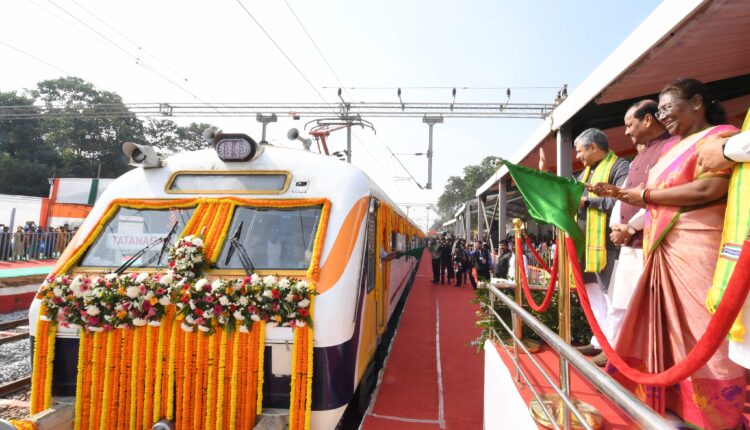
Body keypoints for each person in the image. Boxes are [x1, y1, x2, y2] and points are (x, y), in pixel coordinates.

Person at [611, 79, 744, 429]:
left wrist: (649, 197)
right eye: (660, 110)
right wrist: (636, 198)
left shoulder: (722, 135)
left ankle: (719, 416)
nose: (662, 115)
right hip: (664, 249)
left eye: (668, 107)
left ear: (697, 101)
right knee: (671, 333)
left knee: (705, 334)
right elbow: (656, 193)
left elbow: (710, 188)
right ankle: (678, 406)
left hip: (699, 247)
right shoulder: (673, 148)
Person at [590, 100, 674, 367]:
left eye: (629, 125)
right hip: (628, 242)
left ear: (648, 120)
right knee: (619, 304)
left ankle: (645, 362)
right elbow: (624, 196)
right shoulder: (639, 156)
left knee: (650, 311)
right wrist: (618, 223)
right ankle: (614, 353)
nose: (625, 132)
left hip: (650, 242)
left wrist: (631, 227)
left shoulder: (671, 149)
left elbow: (661, 196)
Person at [572, 128, 630, 358]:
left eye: (579, 151)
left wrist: (586, 203)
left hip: (608, 245)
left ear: (593, 147)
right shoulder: (586, 173)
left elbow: (620, 201)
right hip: (586, 245)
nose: (578, 157)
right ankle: (600, 340)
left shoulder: (620, 167)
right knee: (594, 295)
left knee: (612, 297)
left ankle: (614, 348)